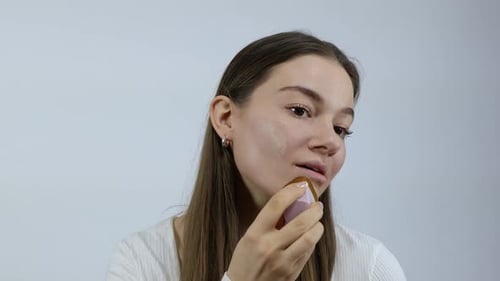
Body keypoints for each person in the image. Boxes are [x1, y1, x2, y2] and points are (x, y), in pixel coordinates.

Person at [105, 31, 407, 281]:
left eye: (341, 128)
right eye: (300, 110)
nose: (330, 141)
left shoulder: (368, 267)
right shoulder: (142, 262)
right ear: (226, 118)